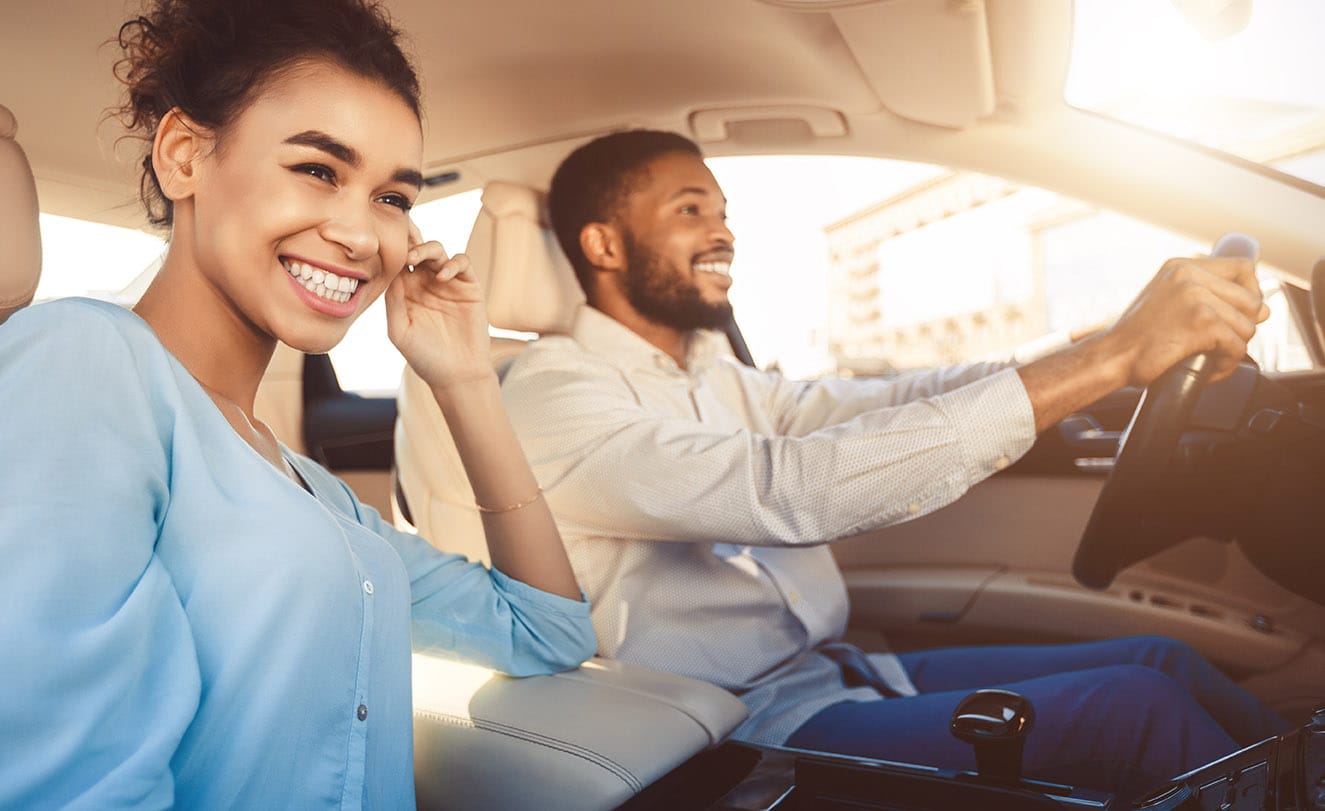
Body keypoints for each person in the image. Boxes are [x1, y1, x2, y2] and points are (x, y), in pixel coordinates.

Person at [497, 129, 1292, 800]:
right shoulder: (552, 398)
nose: (724, 231)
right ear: (602, 243)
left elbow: (881, 400)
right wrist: (1112, 360)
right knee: (1135, 704)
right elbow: (786, 488)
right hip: (735, 726)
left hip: (836, 667)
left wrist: (1093, 351)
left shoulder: (713, 371)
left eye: (723, 211)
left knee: (1162, 656)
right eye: (689, 209)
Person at [0, 1, 596, 807]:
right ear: (183, 156)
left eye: (392, 197)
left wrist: (463, 378)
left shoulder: (309, 490)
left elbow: (549, 631)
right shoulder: (80, 360)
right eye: (318, 169)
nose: (362, 235)